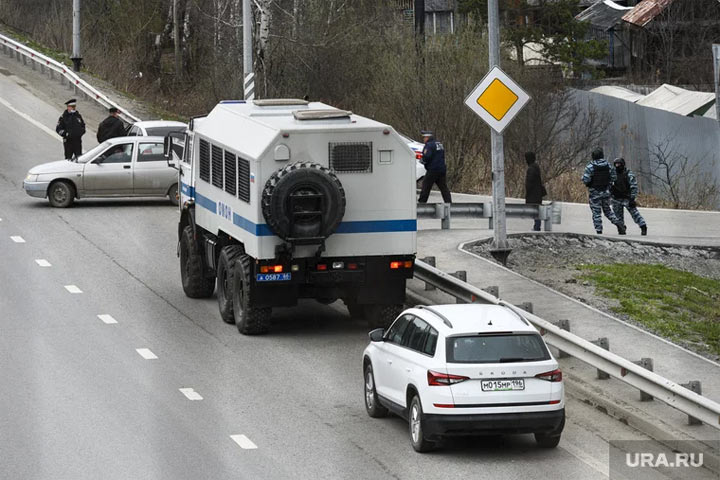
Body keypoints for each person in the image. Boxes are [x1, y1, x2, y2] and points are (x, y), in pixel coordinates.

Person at [582, 148, 626, 235]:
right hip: (606, 192)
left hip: (595, 193)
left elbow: (585, 180)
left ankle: (599, 231)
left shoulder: (590, 166)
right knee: (608, 211)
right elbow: (614, 177)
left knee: (596, 212)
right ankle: (618, 223)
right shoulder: (608, 166)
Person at [610, 157, 648, 236]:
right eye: (616, 164)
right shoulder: (612, 173)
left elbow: (634, 186)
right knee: (618, 217)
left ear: (623, 164)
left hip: (627, 198)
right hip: (616, 198)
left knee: (635, 214)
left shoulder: (628, 173)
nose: (617, 166)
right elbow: (608, 185)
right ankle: (621, 228)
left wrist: (632, 198)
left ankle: (643, 226)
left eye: (619, 164)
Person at [418, 130, 452, 204]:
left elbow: (427, 157)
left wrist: (421, 160)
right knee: (444, 188)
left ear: (427, 137)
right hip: (442, 169)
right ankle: (449, 203)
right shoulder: (439, 144)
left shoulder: (429, 145)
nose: (423, 139)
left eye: (424, 138)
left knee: (426, 187)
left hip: (433, 170)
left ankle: (422, 203)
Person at [524, 151, 546, 231]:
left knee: (534, 209)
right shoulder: (536, 167)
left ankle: (537, 226)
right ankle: (537, 226)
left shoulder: (531, 169)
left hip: (533, 193)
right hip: (537, 193)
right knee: (536, 209)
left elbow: (529, 182)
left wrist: (527, 190)